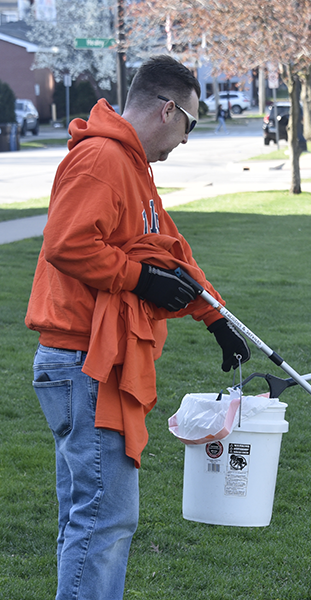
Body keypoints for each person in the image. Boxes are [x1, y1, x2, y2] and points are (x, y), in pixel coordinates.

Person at [25, 55, 250, 600]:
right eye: (190, 125)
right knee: (105, 520)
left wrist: (215, 316)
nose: (187, 140)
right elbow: (66, 243)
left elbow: (169, 254)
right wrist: (138, 280)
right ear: (167, 109)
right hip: (83, 365)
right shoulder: (103, 159)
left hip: (88, 365)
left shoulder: (134, 168)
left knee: (91, 519)